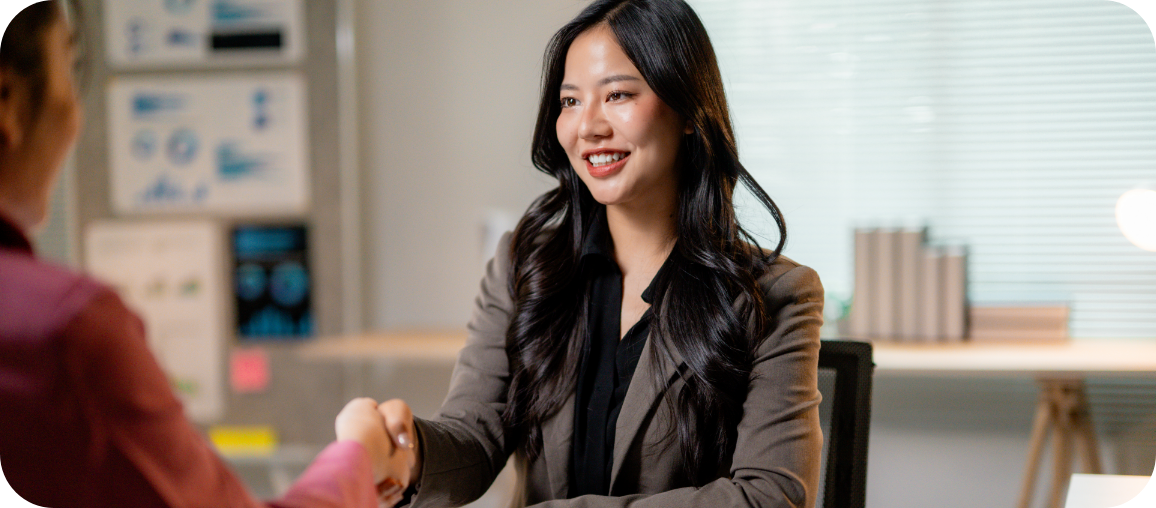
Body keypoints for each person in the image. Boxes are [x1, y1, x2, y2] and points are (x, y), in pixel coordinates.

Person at [373, 0, 825, 507]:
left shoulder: (775, 294)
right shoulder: (525, 264)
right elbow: (475, 437)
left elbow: (772, 496)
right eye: (570, 102)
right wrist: (409, 455)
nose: (588, 126)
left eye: (617, 95)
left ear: (689, 112)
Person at [0, 2, 409, 506]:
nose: (75, 117)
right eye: (72, 66)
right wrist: (359, 453)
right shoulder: (65, 331)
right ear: (9, 100)